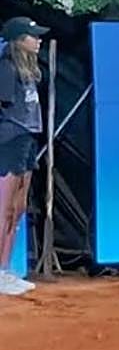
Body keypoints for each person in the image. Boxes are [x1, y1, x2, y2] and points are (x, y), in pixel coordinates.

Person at [0, 16, 48, 296]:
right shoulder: (5, 68)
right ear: (19, 40)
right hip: (10, 141)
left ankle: (5, 270)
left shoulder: (29, 70)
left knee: (17, 210)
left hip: (27, 139)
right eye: (33, 36)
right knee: (5, 209)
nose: (39, 40)